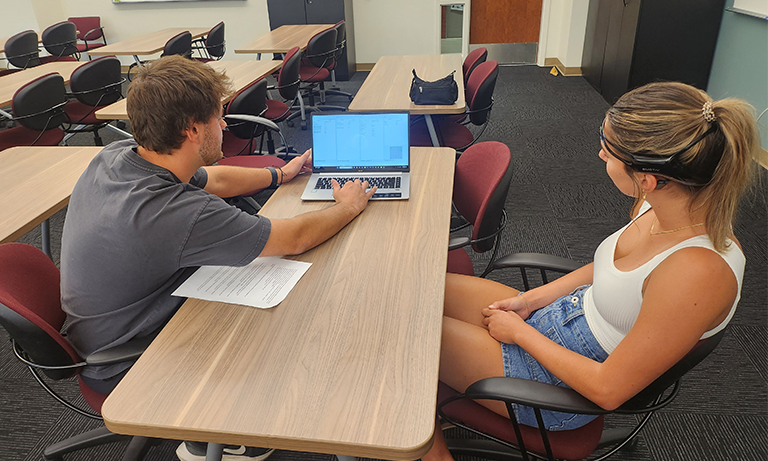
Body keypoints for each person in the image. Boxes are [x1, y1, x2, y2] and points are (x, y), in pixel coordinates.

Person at [60, 55, 376, 461]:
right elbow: (294, 238)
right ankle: (216, 433)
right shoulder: (171, 213)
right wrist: (348, 206)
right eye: (218, 117)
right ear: (192, 130)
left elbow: (216, 178)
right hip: (129, 359)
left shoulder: (121, 156)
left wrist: (282, 172)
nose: (225, 125)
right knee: (301, 317)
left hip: (113, 323)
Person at [425, 81, 759, 461]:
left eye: (609, 149)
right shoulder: (663, 202)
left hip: (562, 386)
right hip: (562, 318)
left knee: (406, 337)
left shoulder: (697, 272)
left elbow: (607, 390)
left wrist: (520, 334)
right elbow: (611, 269)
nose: (600, 153)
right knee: (420, 288)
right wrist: (532, 299)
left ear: (648, 178)